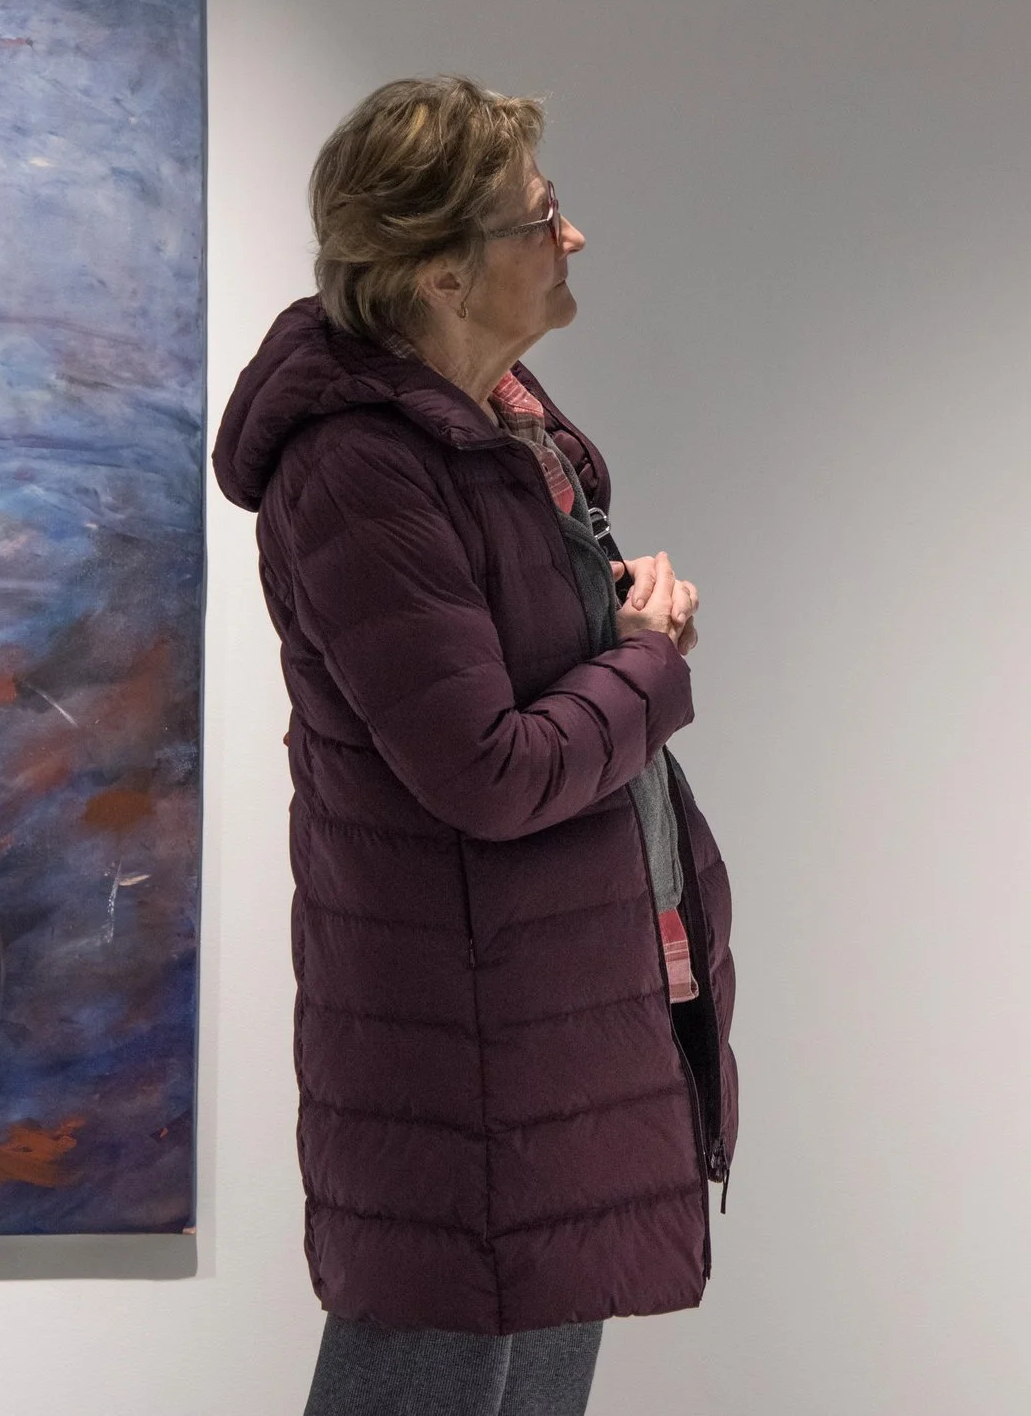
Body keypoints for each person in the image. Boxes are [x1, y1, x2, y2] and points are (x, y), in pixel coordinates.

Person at [212, 75, 739, 1416]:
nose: (574, 240)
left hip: (549, 1020)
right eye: (543, 218)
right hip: (464, 1059)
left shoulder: (507, 428)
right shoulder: (360, 474)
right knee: (435, 1374)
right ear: (445, 270)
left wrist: (620, 636)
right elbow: (489, 772)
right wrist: (652, 663)